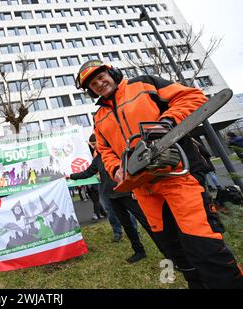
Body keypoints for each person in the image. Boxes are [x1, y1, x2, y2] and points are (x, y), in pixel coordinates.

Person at [76, 59, 243, 288]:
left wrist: (167, 121)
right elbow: (104, 150)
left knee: (203, 244)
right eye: (93, 83)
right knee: (174, 250)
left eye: (101, 77)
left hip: (177, 177)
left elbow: (192, 97)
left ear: (112, 72)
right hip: (144, 190)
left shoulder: (144, 85)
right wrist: (116, 169)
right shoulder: (98, 118)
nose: (99, 83)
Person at [68, 134, 153, 264]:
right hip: (112, 196)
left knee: (145, 221)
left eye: (98, 144)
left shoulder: (119, 153)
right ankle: (139, 251)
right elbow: (87, 172)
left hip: (126, 192)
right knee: (126, 225)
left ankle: (168, 250)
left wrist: (136, 189)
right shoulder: (98, 159)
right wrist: (71, 176)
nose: (96, 147)